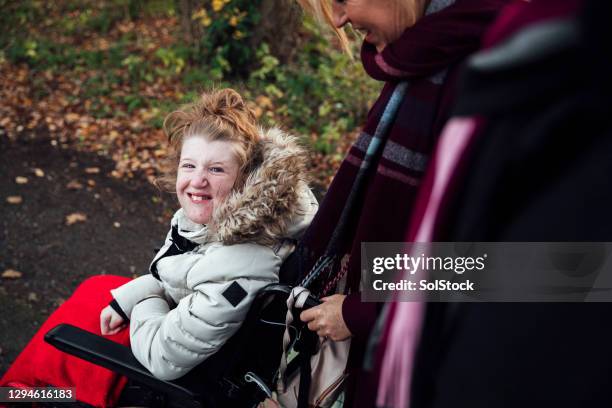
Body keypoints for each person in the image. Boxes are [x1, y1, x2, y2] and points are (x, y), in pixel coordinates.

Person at [1, 88, 318, 407]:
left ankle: (20, 398)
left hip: (168, 365)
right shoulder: (223, 221)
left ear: (245, 178)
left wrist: (144, 298)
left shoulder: (240, 263)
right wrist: (133, 295)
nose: (197, 181)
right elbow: (186, 274)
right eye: (189, 165)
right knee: (99, 291)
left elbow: (164, 357)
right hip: (182, 322)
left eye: (216, 169)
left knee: (59, 345)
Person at [377, 0, 612, 406]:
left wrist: (368, 291)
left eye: (343, 2)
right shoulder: (520, 49)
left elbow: (573, 271)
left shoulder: (566, 59)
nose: (341, 18)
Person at [292, 0, 508, 406]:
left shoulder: (497, 73)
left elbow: (557, 269)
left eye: (341, 1)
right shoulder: (429, 63)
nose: (338, 20)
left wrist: (366, 313)